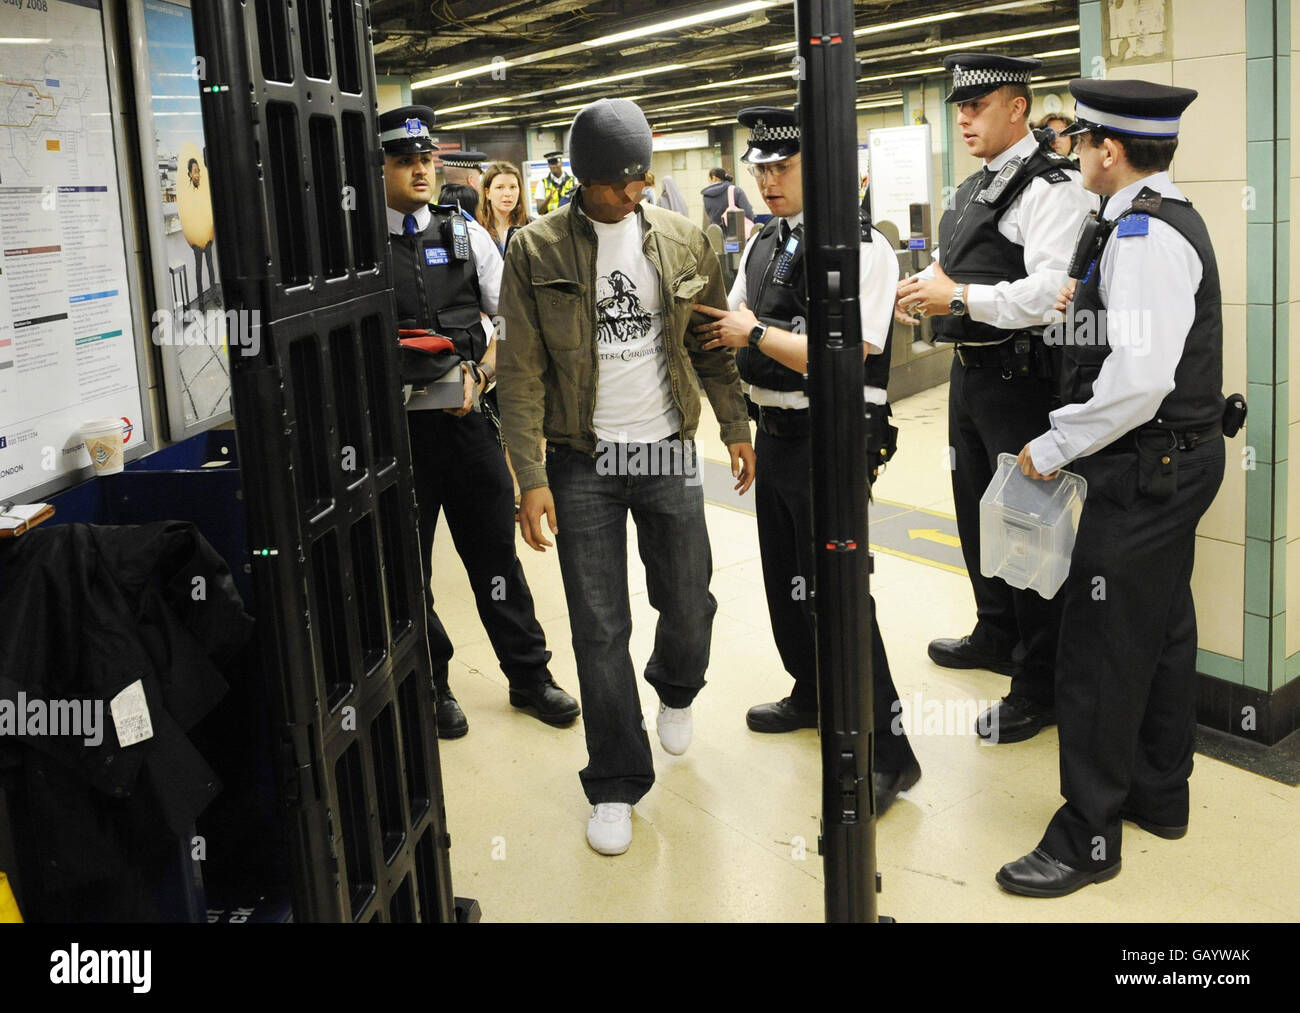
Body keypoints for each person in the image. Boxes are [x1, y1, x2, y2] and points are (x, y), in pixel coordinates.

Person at [496, 98, 755, 856]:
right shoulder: (535, 250)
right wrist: (530, 474)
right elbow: (518, 373)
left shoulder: (684, 239)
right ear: (586, 178)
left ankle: (676, 686)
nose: (638, 190)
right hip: (582, 460)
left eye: (644, 177)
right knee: (598, 627)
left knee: (688, 596)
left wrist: (735, 426)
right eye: (623, 181)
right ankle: (614, 779)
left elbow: (709, 344)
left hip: (665, 449)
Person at [996, 80, 1225, 897]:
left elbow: (1139, 381)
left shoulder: (1141, 234)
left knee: (1097, 651)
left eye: (1082, 139)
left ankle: (1086, 837)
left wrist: (1052, 446)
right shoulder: (1146, 222)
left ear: (1110, 151)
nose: (1074, 150)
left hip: (1142, 466)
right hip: (1173, 463)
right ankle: (1159, 794)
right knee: (1160, 628)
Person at [690, 107, 920, 813]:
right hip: (777, 435)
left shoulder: (861, 248)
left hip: (834, 436)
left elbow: (848, 356)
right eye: (759, 168)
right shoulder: (762, 243)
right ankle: (813, 692)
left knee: (840, 593)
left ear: (816, 171)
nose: (768, 181)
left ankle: (890, 750)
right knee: (785, 578)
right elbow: (725, 322)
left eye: (782, 168)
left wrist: (755, 332)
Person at [894, 53, 1095, 744]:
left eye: (976, 107)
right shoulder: (983, 185)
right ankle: (995, 630)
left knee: (1027, 530)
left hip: (1021, 379)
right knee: (978, 515)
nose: (963, 119)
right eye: (959, 108)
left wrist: (960, 297)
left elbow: (1051, 294)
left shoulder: (1054, 188)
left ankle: (1040, 684)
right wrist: (922, 288)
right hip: (973, 373)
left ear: (1017, 108)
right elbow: (957, 263)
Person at [379, 105, 579, 739]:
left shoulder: (464, 235)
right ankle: (433, 684)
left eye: (426, 158)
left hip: (466, 429)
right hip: (394, 441)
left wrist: (482, 375)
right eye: (404, 159)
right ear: (378, 167)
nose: (419, 169)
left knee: (494, 556)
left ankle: (529, 677)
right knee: (406, 568)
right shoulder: (357, 247)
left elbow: (512, 327)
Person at [478, 160, 528, 255]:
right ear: (487, 193)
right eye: (500, 187)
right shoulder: (478, 228)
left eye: (513, 187)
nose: (508, 194)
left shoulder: (530, 225)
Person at [533, 150, 576, 216]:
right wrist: (549, 198)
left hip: (569, 221)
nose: (553, 166)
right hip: (551, 223)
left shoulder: (573, 181)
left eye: (556, 162)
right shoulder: (542, 183)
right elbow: (540, 211)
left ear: (561, 162)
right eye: (551, 163)